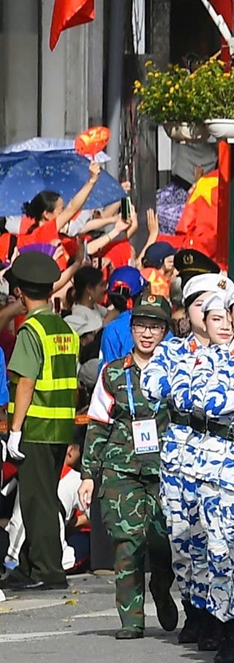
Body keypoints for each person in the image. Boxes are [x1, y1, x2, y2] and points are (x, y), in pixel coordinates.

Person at [80, 297, 179, 638]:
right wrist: (88, 475)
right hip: (121, 468)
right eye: (140, 325)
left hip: (166, 468)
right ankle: (132, 618)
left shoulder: (176, 373)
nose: (147, 334)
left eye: (155, 327)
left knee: (163, 543)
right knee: (127, 543)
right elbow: (97, 423)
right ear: (130, 328)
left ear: (165, 331)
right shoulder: (113, 373)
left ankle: (162, 588)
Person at [4, 251, 80, 591]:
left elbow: (25, 382)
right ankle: (28, 564)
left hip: (35, 426)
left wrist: (16, 430)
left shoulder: (31, 331)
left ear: (19, 293)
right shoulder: (64, 328)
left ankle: (48, 570)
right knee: (42, 494)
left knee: (38, 501)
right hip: (61, 426)